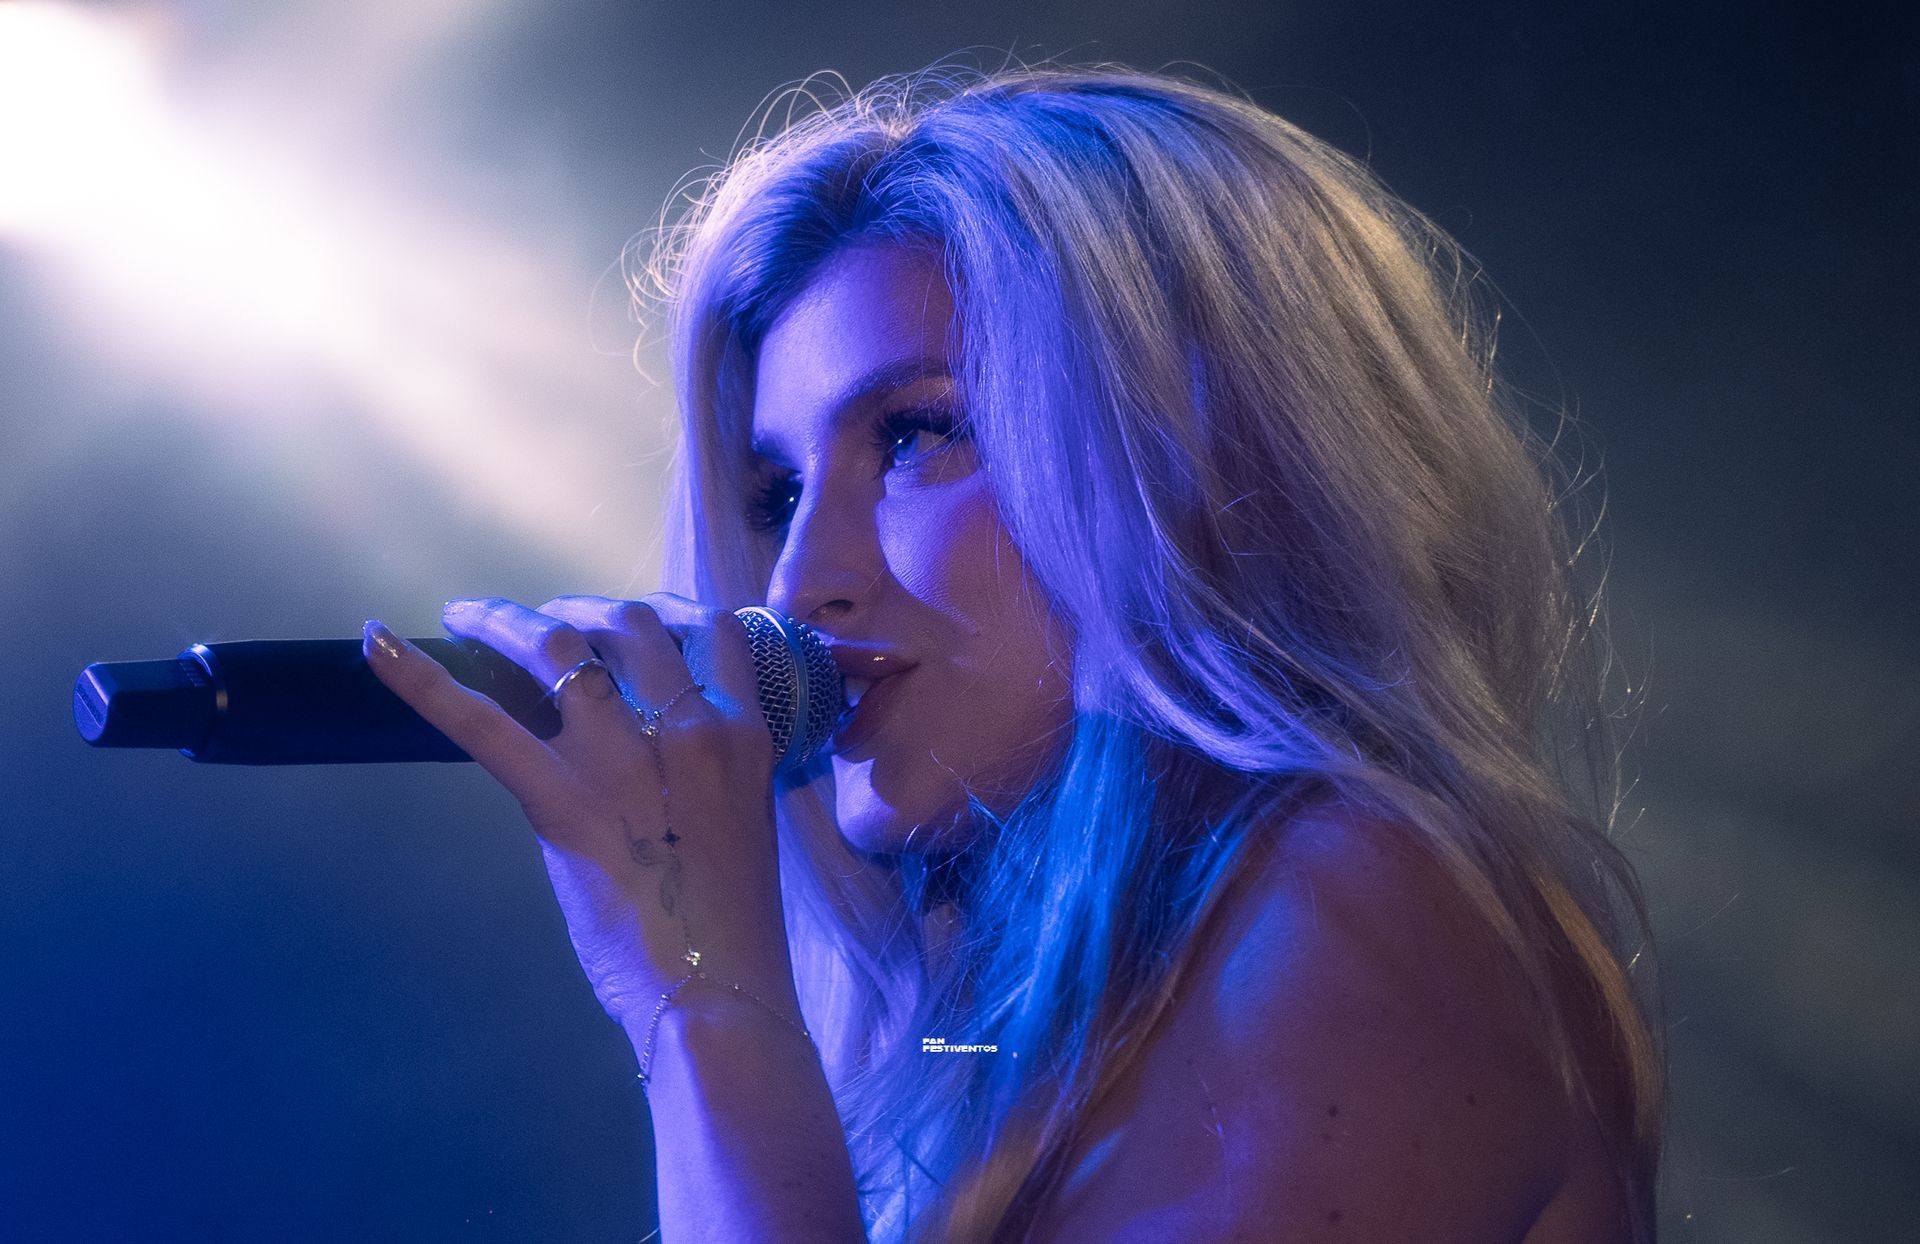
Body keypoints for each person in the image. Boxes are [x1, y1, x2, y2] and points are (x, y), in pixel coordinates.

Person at [363, 61, 1665, 1243]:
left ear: (1197, 460)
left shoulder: (1357, 897)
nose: (801, 581)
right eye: (776, 494)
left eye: (918, 435)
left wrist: (707, 1010)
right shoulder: (993, 1039)